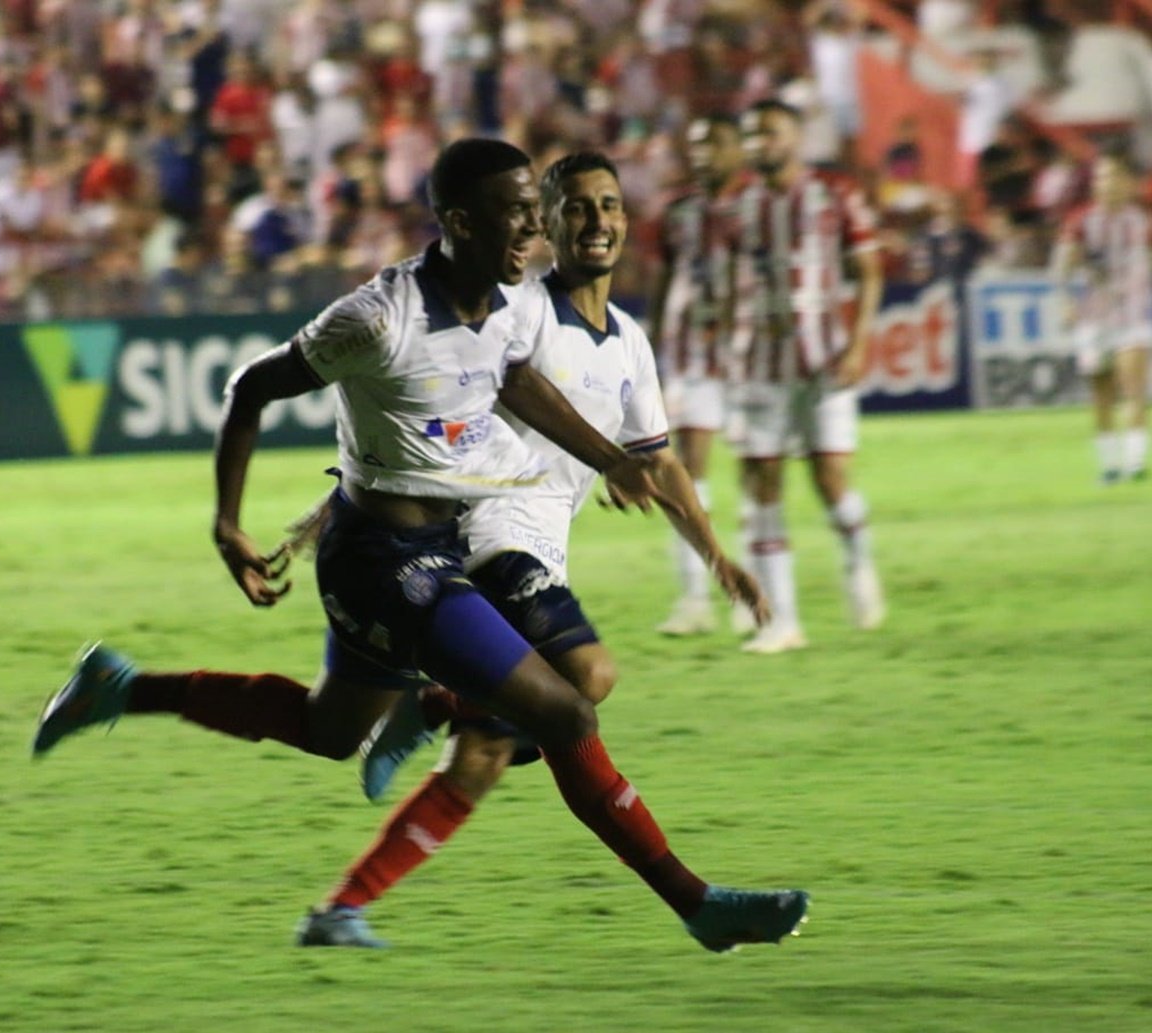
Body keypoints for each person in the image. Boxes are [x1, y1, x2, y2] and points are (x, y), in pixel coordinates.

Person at [31, 138, 809, 953]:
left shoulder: (505, 305)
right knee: (565, 705)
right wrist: (228, 521)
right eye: (517, 211)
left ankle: (119, 687)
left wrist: (610, 456)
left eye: (531, 211)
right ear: (458, 221)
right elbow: (253, 387)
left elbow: (514, 379)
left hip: (428, 544)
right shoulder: (379, 317)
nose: (532, 227)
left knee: (330, 729)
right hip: (384, 561)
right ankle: (697, 903)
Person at [296, 151, 769, 947]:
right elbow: (425, 399)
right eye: (577, 208)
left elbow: (656, 456)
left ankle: (343, 907)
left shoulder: (628, 343)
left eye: (610, 205)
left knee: (481, 757)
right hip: (481, 535)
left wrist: (716, 555)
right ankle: (435, 702)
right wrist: (344, 496)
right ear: (543, 222)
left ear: (628, 219)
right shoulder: (515, 310)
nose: (596, 222)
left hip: (542, 549)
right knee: (589, 675)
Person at [724, 99, 885, 654]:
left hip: (823, 361)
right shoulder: (737, 205)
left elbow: (867, 271)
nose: (758, 142)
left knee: (830, 482)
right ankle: (783, 622)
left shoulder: (835, 194)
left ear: (795, 137)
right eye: (750, 134)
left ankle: (858, 555)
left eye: (769, 132)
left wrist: (859, 343)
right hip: (760, 365)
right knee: (762, 485)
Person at [647, 114, 749, 637]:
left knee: (760, 473)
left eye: (716, 140)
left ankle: (754, 595)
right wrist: (651, 343)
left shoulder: (759, 206)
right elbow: (666, 277)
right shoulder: (679, 213)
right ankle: (695, 597)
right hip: (692, 357)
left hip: (752, 357)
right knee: (687, 472)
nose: (704, 151)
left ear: (739, 148)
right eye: (696, 144)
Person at [1054, 151, 1149, 483]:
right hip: (1094, 319)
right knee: (1102, 395)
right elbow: (1062, 267)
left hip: (1135, 315)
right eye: (1100, 177)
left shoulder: (1143, 222)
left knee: (1133, 386)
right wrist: (1065, 301)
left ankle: (1136, 463)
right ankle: (1109, 466)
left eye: (1111, 176)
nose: (1105, 183)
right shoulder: (1081, 222)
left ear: (1129, 182)